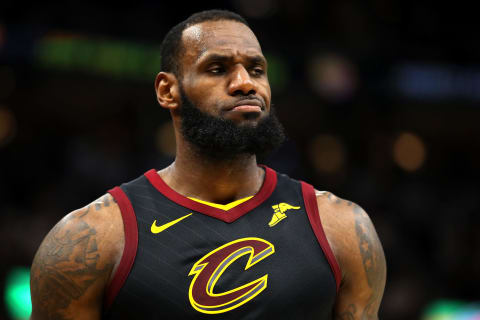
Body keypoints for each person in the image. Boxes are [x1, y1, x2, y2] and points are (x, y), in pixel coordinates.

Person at [30, 9, 386, 320]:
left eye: (257, 69)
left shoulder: (343, 228)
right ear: (167, 91)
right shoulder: (89, 240)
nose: (245, 83)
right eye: (217, 69)